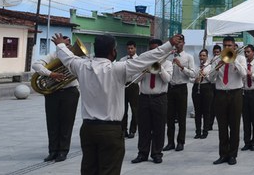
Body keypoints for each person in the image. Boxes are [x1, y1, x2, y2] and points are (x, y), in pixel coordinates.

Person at [51, 32, 182, 175]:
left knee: (89, 170)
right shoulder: (118, 69)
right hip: (110, 130)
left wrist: (60, 45)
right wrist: (169, 44)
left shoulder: (81, 66)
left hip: (88, 129)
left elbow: (67, 57)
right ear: (113, 51)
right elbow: (148, 57)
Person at [32, 35, 80, 162]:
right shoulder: (52, 56)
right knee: (52, 122)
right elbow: (36, 65)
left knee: (67, 123)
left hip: (70, 92)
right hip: (52, 92)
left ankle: (63, 151)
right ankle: (52, 151)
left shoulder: (75, 58)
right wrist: (51, 74)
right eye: (64, 44)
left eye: (68, 44)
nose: (67, 46)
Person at [131, 39, 174, 165]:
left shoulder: (168, 63)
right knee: (143, 127)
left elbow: (167, 79)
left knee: (159, 127)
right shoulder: (144, 62)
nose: (153, 52)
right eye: (151, 49)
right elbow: (134, 80)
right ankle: (142, 153)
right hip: (144, 97)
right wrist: (144, 71)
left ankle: (156, 153)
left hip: (159, 98)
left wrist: (159, 68)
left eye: (156, 49)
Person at [210, 36, 247, 166]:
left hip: (235, 93)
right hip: (220, 94)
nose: (227, 47)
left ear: (234, 46)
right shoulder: (216, 59)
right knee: (222, 126)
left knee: (234, 126)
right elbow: (210, 78)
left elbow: (244, 74)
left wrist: (233, 60)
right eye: (225, 45)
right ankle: (223, 154)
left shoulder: (240, 58)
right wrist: (217, 66)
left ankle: (232, 155)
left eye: (229, 45)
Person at [164, 37, 196, 152]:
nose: (178, 44)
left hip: (181, 88)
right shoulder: (169, 56)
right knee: (170, 117)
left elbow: (193, 74)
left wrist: (182, 67)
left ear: (184, 43)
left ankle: (180, 142)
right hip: (170, 88)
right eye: (176, 42)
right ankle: (170, 142)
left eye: (180, 42)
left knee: (181, 117)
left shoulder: (188, 57)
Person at [192, 49, 213, 139]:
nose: (202, 57)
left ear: (207, 57)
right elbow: (191, 77)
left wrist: (205, 75)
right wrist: (195, 79)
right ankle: (198, 131)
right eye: (200, 56)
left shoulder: (210, 67)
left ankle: (205, 131)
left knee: (206, 111)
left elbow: (212, 79)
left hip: (206, 87)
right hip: (196, 87)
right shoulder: (196, 67)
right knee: (197, 111)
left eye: (204, 56)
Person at [120, 41, 140, 139]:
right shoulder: (122, 60)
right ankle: (124, 130)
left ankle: (133, 130)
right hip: (124, 85)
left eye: (132, 48)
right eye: (128, 48)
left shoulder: (139, 60)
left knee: (135, 109)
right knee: (123, 110)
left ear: (135, 48)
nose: (130, 50)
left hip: (134, 85)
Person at [206, 44, 222, 132]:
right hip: (212, 84)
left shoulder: (222, 60)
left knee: (219, 106)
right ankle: (209, 124)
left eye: (217, 52)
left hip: (218, 84)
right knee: (211, 106)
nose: (216, 54)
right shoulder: (211, 60)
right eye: (215, 52)